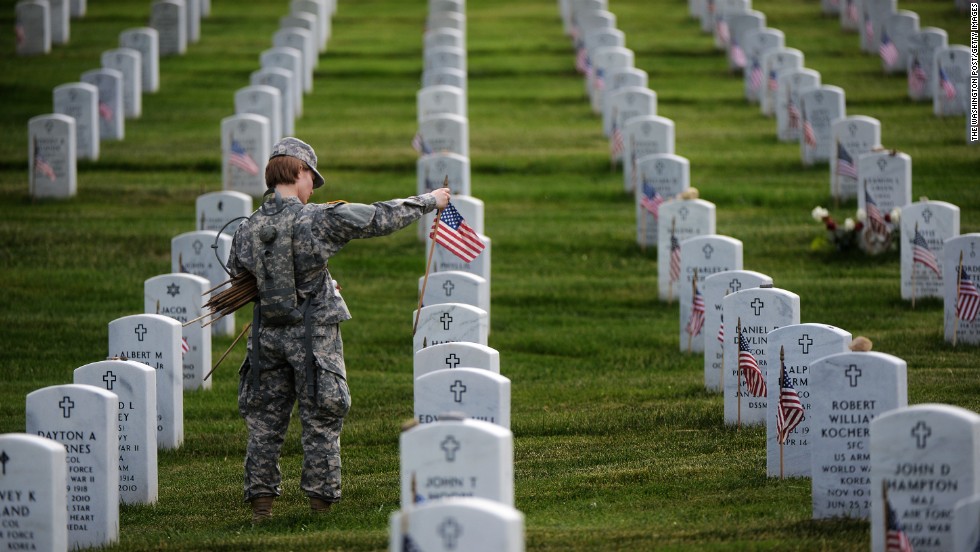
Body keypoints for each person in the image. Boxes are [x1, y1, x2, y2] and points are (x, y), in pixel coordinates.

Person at [226, 137, 451, 523]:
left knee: (263, 424)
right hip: (313, 338)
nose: (313, 187)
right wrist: (430, 201)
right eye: (312, 177)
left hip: (265, 339)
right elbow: (379, 217)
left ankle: (261, 506)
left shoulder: (247, 228)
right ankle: (320, 504)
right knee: (322, 417)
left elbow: (240, 276)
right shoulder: (316, 219)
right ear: (297, 172)